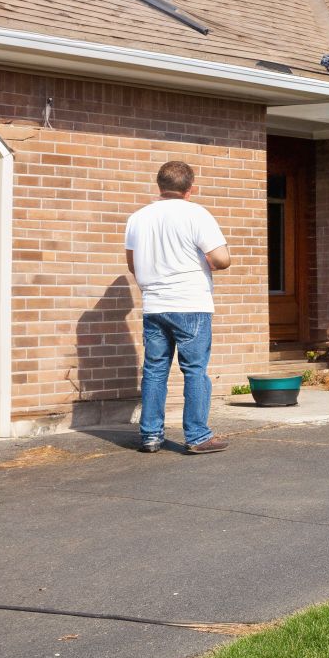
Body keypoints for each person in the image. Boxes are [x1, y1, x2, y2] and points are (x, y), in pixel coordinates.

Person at [124, 160, 233, 454]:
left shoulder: (138, 218)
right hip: (190, 303)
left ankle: (150, 436)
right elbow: (221, 258)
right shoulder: (196, 214)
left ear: (160, 185)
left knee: (155, 370)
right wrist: (211, 261)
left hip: (154, 305)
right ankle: (197, 437)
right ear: (190, 188)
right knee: (195, 370)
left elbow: (132, 264)